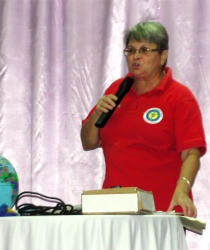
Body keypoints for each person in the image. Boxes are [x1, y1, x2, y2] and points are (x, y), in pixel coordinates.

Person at [80, 21, 206, 217]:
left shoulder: (179, 97)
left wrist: (183, 188)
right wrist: (96, 114)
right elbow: (88, 142)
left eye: (145, 50)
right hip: (115, 208)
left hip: (162, 210)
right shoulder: (116, 90)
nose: (136, 56)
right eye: (130, 50)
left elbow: (191, 152)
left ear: (163, 56)